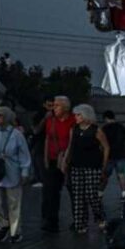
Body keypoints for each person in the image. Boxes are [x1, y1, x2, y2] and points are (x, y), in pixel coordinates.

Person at [0, 106, 31, 243]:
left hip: (12, 171)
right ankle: (4, 224)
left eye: (0, 115)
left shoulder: (16, 135)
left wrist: (25, 171)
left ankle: (15, 232)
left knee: (14, 203)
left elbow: (24, 155)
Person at [63, 105, 109, 234]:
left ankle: (100, 218)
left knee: (91, 194)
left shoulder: (96, 130)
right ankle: (80, 223)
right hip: (76, 165)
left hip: (92, 166)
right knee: (78, 195)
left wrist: (103, 166)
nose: (76, 117)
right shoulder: (74, 129)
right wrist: (66, 160)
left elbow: (106, 147)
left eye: (78, 115)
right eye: (76, 115)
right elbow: (70, 146)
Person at [42, 96, 76, 232]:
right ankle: (50, 220)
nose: (53, 108)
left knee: (74, 191)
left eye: (57, 105)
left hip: (69, 161)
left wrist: (67, 158)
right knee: (50, 191)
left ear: (66, 108)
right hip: (53, 159)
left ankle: (77, 219)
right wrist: (45, 157)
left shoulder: (74, 120)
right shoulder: (51, 121)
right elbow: (47, 139)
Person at [100, 110, 125, 199]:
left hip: (108, 156)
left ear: (105, 118)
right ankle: (124, 193)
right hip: (121, 155)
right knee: (122, 175)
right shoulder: (121, 127)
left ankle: (100, 192)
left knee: (105, 176)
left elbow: (101, 144)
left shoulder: (104, 128)